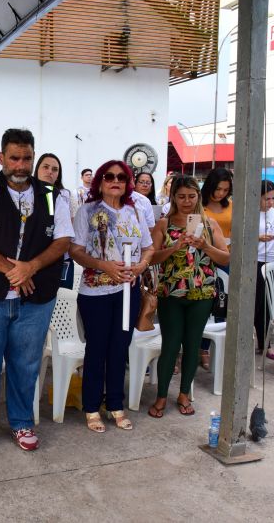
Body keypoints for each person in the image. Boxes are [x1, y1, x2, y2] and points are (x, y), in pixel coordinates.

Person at [0, 128, 73, 458]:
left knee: (25, 364)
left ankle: (21, 422)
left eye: (27, 158)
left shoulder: (52, 194)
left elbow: (63, 240)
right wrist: (13, 271)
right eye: (15, 158)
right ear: (2, 158)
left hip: (35, 299)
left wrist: (30, 267)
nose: (21, 165)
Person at [70, 160, 153, 432]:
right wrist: (103, 265)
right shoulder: (88, 210)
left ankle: (115, 404)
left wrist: (140, 266)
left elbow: (148, 248)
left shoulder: (135, 211)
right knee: (97, 350)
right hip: (95, 292)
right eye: (109, 176)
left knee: (119, 348)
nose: (115, 180)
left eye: (121, 176)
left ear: (127, 182)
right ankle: (92, 407)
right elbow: (76, 251)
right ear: (100, 181)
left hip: (128, 292)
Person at [147, 176, 229, 418]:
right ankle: (162, 395)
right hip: (171, 292)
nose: (186, 201)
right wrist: (174, 247)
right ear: (173, 197)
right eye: (181, 196)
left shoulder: (210, 224)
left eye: (191, 196)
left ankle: (184, 394)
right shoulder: (164, 223)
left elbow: (225, 259)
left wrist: (204, 246)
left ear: (198, 197)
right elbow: (151, 258)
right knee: (171, 344)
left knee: (193, 345)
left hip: (201, 293)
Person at [199, 167, 233, 369]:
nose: (220, 193)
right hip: (203, 257)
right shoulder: (199, 207)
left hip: (226, 256)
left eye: (225, 190)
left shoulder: (231, 206)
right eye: (218, 189)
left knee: (222, 303)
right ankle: (201, 347)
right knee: (204, 305)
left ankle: (213, 348)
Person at [34, 153, 76, 288]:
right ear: (37, 169)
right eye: (45, 167)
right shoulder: (25, 193)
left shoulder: (65, 195)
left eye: (54, 169)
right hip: (32, 260)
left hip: (61, 259)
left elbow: (70, 227)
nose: (50, 172)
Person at [255, 181, 274, 360]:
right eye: (267, 199)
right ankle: (257, 342)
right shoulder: (250, 212)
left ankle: (265, 344)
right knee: (257, 304)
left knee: (269, 305)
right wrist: (257, 237)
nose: (271, 202)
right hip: (255, 261)